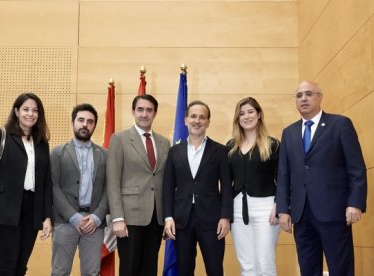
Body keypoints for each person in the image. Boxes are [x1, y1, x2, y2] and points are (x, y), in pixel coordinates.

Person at [276, 81, 367, 276]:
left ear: (320, 97)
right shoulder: (289, 133)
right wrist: (283, 210)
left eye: (309, 94)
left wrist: (355, 203)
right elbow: (284, 175)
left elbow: (356, 168)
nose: (303, 99)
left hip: (334, 212)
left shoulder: (340, 124)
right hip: (301, 215)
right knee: (308, 269)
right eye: (299, 95)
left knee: (340, 268)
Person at [0, 92, 52, 276]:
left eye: (35, 110)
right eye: (25, 109)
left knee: (20, 268)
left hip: (31, 209)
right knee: (7, 267)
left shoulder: (42, 143)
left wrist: (47, 216)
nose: (30, 114)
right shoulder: (0, 135)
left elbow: (45, 182)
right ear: (16, 111)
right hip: (4, 210)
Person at [163, 100, 233, 276]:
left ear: (208, 122)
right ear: (185, 119)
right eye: (193, 116)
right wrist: (168, 217)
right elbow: (168, 187)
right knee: (185, 269)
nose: (197, 121)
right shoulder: (174, 151)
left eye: (202, 117)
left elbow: (226, 188)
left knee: (215, 269)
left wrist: (225, 217)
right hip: (181, 221)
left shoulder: (220, 151)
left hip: (212, 220)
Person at [106, 94, 170, 276]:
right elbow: (112, 181)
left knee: (150, 268)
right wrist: (117, 218)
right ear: (133, 111)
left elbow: (165, 182)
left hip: (156, 217)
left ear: (155, 113)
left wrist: (167, 217)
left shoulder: (164, 143)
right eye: (140, 109)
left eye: (149, 110)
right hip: (129, 218)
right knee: (130, 268)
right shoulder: (119, 139)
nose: (144, 114)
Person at [50, 103, 108, 276]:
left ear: (94, 126)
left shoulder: (105, 155)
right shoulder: (57, 153)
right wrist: (73, 217)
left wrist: (98, 217)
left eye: (90, 121)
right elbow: (53, 187)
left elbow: (109, 189)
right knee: (60, 272)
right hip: (65, 221)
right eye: (81, 120)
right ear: (73, 122)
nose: (85, 124)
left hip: (94, 224)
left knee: (92, 273)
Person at [227, 97, 280, 276]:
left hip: (266, 208)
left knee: (265, 262)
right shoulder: (230, 146)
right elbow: (226, 183)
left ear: (258, 115)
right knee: (247, 264)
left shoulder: (272, 144)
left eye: (250, 112)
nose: (246, 116)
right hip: (237, 210)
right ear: (237, 118)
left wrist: (278, 205)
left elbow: (283, 178)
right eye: (241, 113)